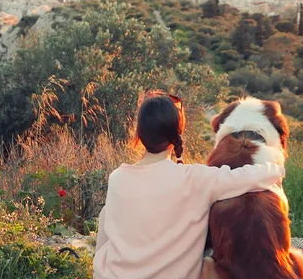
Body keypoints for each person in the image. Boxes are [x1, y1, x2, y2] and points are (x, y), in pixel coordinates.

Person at [93, 90, 286, 279]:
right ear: (177, 134)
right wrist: (275, 168)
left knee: (106, 214)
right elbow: (251, 177)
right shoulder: (196, 178)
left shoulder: (118, 178)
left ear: (139, 133)